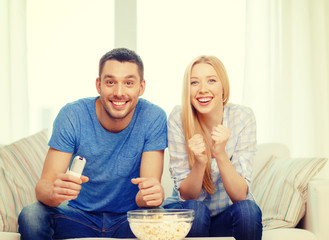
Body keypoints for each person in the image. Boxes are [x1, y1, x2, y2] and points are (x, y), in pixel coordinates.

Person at [18, 48, 168, 239]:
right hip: (78, 217)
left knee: (168, 219)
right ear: (98, 85)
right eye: (110, 82)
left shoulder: (153, 117)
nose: (119, 92)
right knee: (32, 215)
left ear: (141, 87)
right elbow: (43, 186)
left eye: (129, 83)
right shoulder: (72, 115)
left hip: (130, 220)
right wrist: (54, 193)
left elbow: (146, 193)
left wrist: (151, 196)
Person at [163, 55, 263, 240]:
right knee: (196, 210)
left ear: (223, 87)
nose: (203, 89)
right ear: (188, 89)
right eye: (194, 83)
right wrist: (200, 162)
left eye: (211, 81)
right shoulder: (179, 117)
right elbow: (187, 195)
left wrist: (220, 154)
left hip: (225, 215)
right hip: (188, 209)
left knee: (248, 210)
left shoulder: (242, 117)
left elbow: (240, 195)